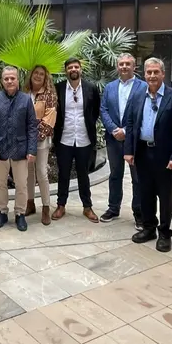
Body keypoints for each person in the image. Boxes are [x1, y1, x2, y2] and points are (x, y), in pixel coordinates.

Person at [123, 58, 172, 253]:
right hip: (142, 152)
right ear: (144, 74)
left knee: (165, 195)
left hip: (164, 154)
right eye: (149, 72)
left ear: (163, 74)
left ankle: (164, 233)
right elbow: (130, 123)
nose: (152, 76)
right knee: (145, 193)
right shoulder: (137, 96)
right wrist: (128, 150)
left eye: (156, 72)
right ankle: (149, 228)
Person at [0, 67, 38, 231]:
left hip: (21, 149)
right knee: (1, 183)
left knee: (21, 184)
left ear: (17, 80)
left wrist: (32, 150)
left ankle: (20, 214)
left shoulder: (25, 100)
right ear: (2, 81)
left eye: (12, 78)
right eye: (6, 78)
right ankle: (2, 211)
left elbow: (32, 127)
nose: (9, 81)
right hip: (0, 150)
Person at [52, 58, 101, 223]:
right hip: (64, 139)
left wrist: (87, 125)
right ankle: (61, 205)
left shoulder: (91, 88)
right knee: (63, 173)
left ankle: (87, 207)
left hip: (84, 139)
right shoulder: (58, 88)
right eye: (70, 67)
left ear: (80, 69)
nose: (73, 69)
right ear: (66, 71)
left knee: (83, 174)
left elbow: (95, 111)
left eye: (76, 67)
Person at [100, 54, 147, 226]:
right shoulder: (110, 87)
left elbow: (144, 112)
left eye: (128, 64)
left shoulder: (143, 87)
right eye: (121, 64)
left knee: (137, 178)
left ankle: (139, 213)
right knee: (115, 175)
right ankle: (113, 208)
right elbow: (103, 110)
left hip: (134, 140)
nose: (124, 67)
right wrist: (114, 129)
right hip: (113, 140)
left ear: (134, 67)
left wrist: (127, 131)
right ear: (117, 67)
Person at [23, 65, 57, 226]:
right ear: (31, 75)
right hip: (24, 139)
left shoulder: (49, 95)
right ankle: (30, 203)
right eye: (35, 73)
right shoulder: (24, 93)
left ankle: (45, 207)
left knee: (41, 172)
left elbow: (49, 119)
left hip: (41, 139)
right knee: (29, 172)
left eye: (41, 74)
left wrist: (33, 136)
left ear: (45, 78)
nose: (38, 76)